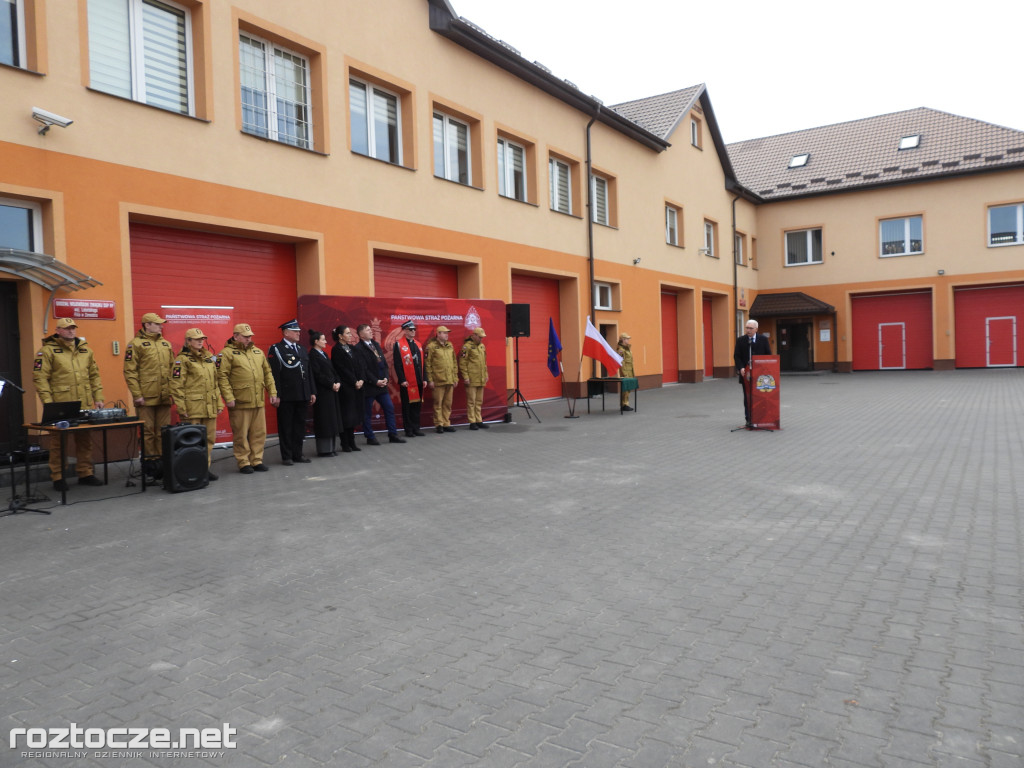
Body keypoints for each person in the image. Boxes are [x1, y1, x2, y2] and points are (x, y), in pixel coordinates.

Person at [32, 317, 105, 491]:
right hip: (61, 404)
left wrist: (99, 397)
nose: (71, 331)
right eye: (67, 328)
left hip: (84, 401)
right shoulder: (47, 351)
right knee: (58, 442)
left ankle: (85, 473)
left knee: (85, 439)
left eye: (73, 328)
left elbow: (94, 375)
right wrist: (48, 403)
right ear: (58, 331)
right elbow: (40, 378)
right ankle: (58, 476)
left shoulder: (86, 350)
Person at [217, 323, 279, 474]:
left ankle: (257, 460)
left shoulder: (258, 352)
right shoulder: (225, 354)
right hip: (240, 401)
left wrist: (272, 392)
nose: (248, 338)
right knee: (241, 434)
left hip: (258, 400)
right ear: (236, 336)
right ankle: (244, 462)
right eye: (245, 336)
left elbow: (267, 373)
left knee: (259, 433)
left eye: (250, 336)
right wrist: (228, 397)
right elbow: (221, 377)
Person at [123, 312, 174, 480]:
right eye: (157, 323)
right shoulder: (135, 345)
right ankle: (150, 465)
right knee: (147, 432)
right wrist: (137, 395)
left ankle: (163, 462)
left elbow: (174, 371)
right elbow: (130, 372)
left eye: (161, 324)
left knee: (163, 432)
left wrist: (173, 392)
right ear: (146, 325)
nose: (161, 326)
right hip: (145, 396)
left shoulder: (166, 344)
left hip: (164, 396)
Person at [169, 328, 223, 480]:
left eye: (202, 339)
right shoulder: (182, 360)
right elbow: (176, 385)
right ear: (188, 341)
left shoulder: (209, 359)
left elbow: (215, 383)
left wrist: (219, 403)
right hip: (193, 408)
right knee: (192, 441)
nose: (200, 341)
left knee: (209, 440)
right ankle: (191, 471)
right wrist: (181, 407)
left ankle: (204, 469)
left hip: (209, 406)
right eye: (196, 339)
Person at [268, 319, 315, 465]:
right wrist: (276, 394)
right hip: (287, 396)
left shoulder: (301, 349)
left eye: (299, 331)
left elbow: (309, 372)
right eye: (295, 331)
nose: (298, 334)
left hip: (302, 394)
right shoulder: (276, 349)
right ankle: (287, 456)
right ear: (286, 332)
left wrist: (311, 391)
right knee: (286, 426)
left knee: (299, 426)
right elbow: (274, 374)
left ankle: (298, 454)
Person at [352, 323, 405, 445]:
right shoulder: (358, 348)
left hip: (382, 385)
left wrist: (386, 377)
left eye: (371, 329)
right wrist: (375, 381)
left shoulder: (375, 344)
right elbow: (363, 369)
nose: (371, 331)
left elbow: (384, 364)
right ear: (360, 334)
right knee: (367, 412)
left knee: (389, 408)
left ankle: (393, 434)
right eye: (367, 330)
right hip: (370, 386)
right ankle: (370, 436)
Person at [307, 329, 341, 457]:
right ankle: (324, 450)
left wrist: (337, 382)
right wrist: (330, 384)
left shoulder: (324, 354)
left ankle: (332, 448)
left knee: (332, 420)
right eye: (323, 339)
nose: (326, 341)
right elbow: (317, 374)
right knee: (324, 421)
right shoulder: (313, 356)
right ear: (316, 341)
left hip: (332, 391)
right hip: (322, 392)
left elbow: (333, 370)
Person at [330, 325, 364, 453]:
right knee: (346, 416)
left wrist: (361, 379)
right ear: (340, 336)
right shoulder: (336, 350)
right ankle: (345, 443)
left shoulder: (352, 348)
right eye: (348, 333)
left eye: (350, 333)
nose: (350, 335)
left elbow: (360, 365)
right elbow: (341, 369)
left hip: (357, 386)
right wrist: (354, 381)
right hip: (346, 387)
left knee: (354, 416)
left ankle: (352, 442)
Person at [734, 319, 772, 424]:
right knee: (747, 397)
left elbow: (768, 355)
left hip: (760, 375)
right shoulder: (741, 340)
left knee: (760, 396)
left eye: (751, 328)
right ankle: (749, 419)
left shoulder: (763, 339)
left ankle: (760, 417)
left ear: (756, 329)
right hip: (746, 374)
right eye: (747, 328)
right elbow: (737, 356)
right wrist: (741, 367)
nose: (748, 330)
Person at [392, 320, 427, 437]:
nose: (413, 332)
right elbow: (397, 364)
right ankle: (409, 429)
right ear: (405, 331)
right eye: (411, 330)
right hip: (407, 381)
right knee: (407, 406)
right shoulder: (399, 344)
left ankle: (416, 428)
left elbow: (423, 363)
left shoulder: (418, 344)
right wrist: (402, 379)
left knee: (417, 405)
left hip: (418, 379)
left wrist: (425, 378)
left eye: (414, 329)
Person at [425, 325, 458, 433]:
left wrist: (455, 377)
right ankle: (439, 424)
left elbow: (454, 362)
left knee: (448, 403)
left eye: (447, 333)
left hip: (449, 379)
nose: (447, 335)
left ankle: (446, 423)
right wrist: (430, 380)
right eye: (444, 333)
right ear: (438, 334)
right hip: (438, 380)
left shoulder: (450, 346)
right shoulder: (431, 346)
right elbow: (428, 364)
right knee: (438, 403)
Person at [459, 326, 489, 430]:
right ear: (474, 336)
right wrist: (466, 377)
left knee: (479, 401)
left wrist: (485, 375)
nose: (481, 339)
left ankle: (479, 420)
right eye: (480, 337)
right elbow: (462, 363)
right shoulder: (466, 347)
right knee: (471, 401)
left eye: (482, 337)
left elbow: (484, 362)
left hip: (480, 378)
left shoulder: (482, 346)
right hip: (471, 378)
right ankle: (472, 422)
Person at [616, 333, 635, 412]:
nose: (628, 340)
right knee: (625, 389)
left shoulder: (627, 348)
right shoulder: (621, 349)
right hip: (626, 371)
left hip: (630, 370)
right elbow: (622, 362)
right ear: (623, 340)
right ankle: (624, 404)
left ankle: (626, 403)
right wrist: (624, 373)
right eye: (627, 339)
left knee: (628, 389)